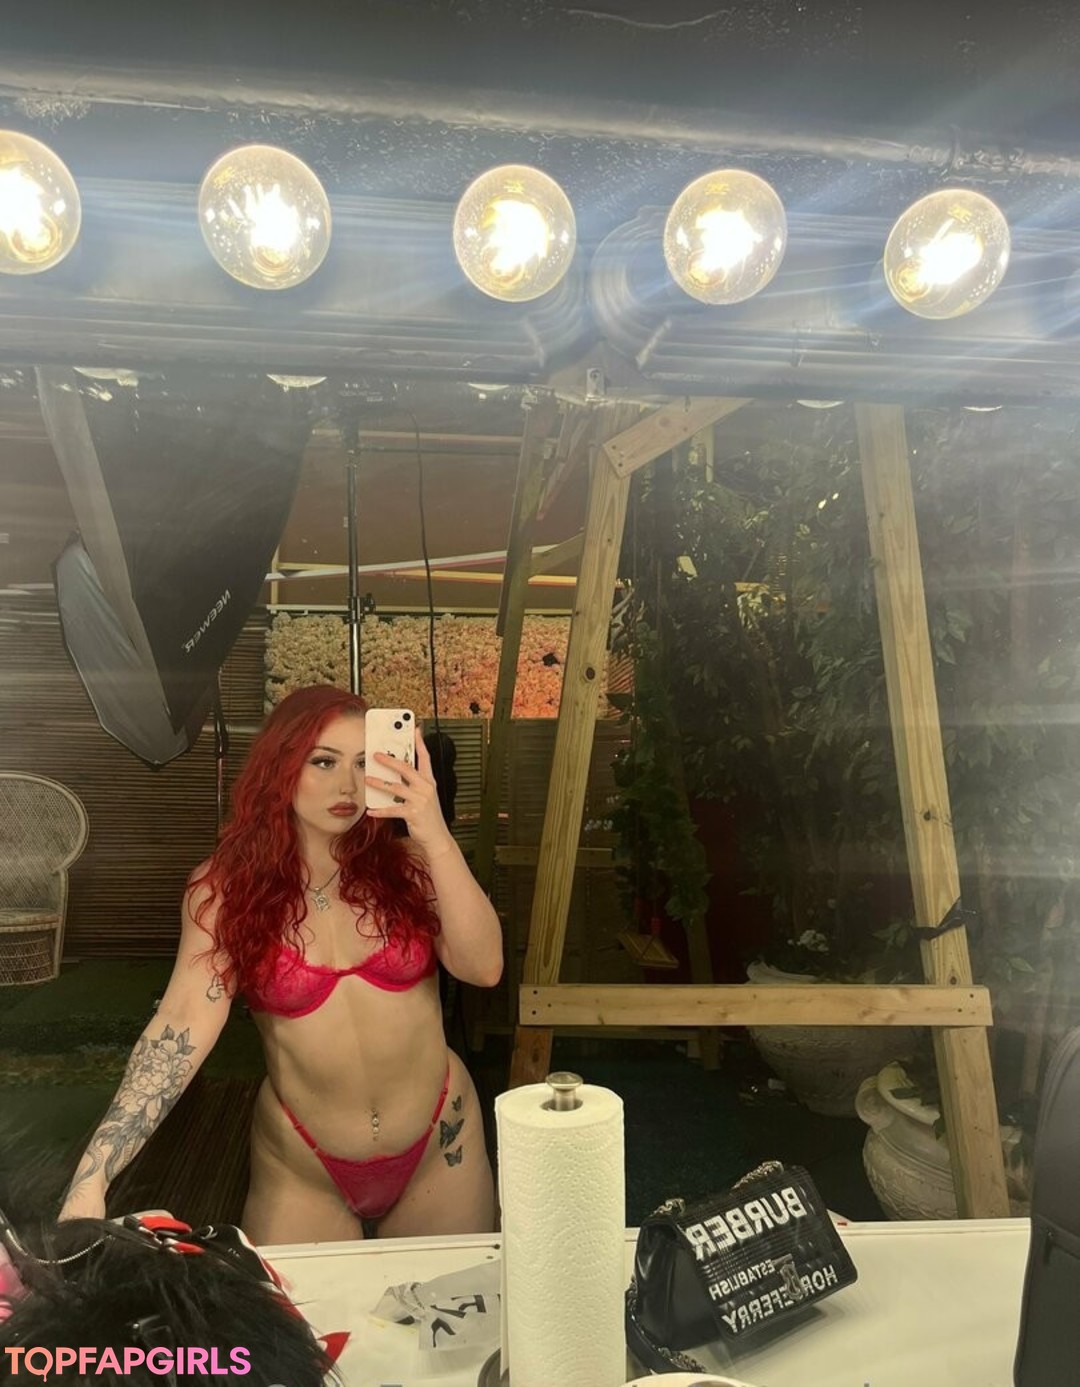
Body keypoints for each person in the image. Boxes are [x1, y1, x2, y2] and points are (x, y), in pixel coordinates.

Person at [58, 686, 503, 1244]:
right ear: (280, 768)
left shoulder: (413, 866)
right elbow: (181, 1025)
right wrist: (91, 1178)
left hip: (440, 1142)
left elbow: (484, 968)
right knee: (293, 1306)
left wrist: (435, 836)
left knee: (457, 1301)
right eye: (324, 762)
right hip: (305, 1165)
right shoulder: (225, 891)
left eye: (363, 763)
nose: (347, 786)